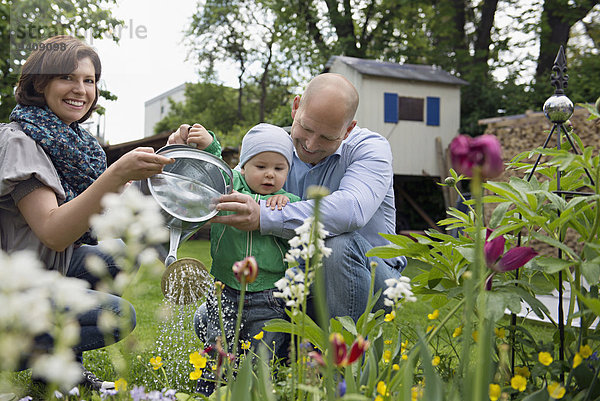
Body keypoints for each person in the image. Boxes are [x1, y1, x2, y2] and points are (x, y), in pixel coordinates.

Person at [0, 35, 174, 390]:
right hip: (11, 290)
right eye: (68, 77)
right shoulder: (20, 142)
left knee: (119, 257)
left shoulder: (70, 144)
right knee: (117, 316)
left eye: (89, 80)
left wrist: (173, 154)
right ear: (39, 83)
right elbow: (53, 231)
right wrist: (116, 174)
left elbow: (108, 206)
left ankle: (58, 374)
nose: (81, 89)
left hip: (43, 271)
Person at [200, 73, 406, 322]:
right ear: (295, 107)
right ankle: (294, 351)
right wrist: (195, 157)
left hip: (374, 279)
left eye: (327, 137)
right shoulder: (276, 150)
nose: (310, 143)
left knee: (337, 244)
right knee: (207, 319)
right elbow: (230, 183)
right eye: (306, 128)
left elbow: (351, 210)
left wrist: (263, 214)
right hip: (302, 281)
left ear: (348, 129)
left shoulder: (371, 148)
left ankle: (341, 354)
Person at [168, 122, 300, 394]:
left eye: (279, 168)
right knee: (218, 348)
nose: (270, 175)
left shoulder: (289, 202)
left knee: (263, 354)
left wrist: (282, 214)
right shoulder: (229, 189)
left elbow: (297, 239)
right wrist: (209, 144)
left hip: (270, 294)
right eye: (261, 166)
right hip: (224, 289)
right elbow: (215, 169)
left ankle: (257, 392)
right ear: (243, 166)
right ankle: (211, 392)